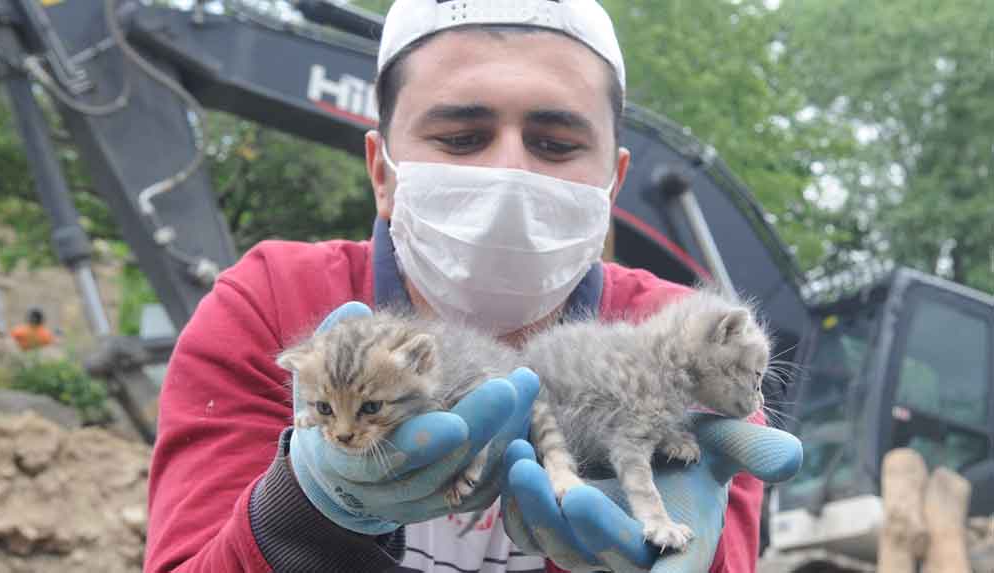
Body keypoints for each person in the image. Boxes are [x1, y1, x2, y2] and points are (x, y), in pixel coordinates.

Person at [144, 1, 801, 572]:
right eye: (461, 139)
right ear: (381, 172)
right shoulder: (271, 305)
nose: (509, 174)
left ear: (612, 186)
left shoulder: (689, 346)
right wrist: (303, 515)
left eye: (554, 144)